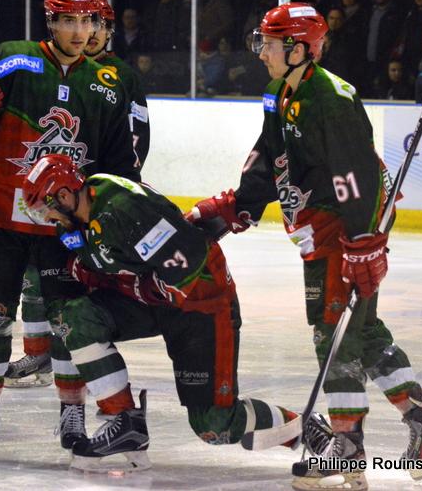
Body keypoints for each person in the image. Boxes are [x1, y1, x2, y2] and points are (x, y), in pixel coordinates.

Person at [188, 3, 422, 490]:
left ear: (298, 50)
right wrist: (234, 209)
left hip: (346, 230)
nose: (261, 53)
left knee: (331, 334)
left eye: (269, 45)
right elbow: (267, 160)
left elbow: (354, 178)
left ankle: (347, 447)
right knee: (363, 332)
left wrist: (363, 245)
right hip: (318, 231)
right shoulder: (279, 93)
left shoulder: (332, 98)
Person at [0, 0, 139, 460]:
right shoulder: (15, 58)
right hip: (2, 217)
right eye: (69, 20)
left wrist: (107, 214)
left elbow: (119, 167)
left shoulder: (107, 85)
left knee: (66, 321)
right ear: (50, 21)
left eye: (88, 21)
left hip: (63, 227)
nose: (80, 31)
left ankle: (71, 407)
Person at [21, 154, 300, 472]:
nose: (48, 219)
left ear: (65, 195)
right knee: (75, 318)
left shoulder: (123, 207)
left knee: (215, 425)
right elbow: (116, 268)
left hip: (202, 303)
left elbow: (185, 262)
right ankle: (125, 424)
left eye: (47, 209)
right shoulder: (78, 223)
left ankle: (306, 431)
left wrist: (128, 284)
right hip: (161, 302)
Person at [4, 0, 151, 388]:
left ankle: (78, 359)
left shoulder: (121, 77)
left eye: (97, 25)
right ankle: (39, 354)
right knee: (33, 277)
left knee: (77, 283)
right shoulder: (58, 70)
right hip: (50, 193)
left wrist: (113, 189)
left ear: (107, 31)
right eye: (85, 23)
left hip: (88, 198)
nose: (90, 33)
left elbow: (135, 140)